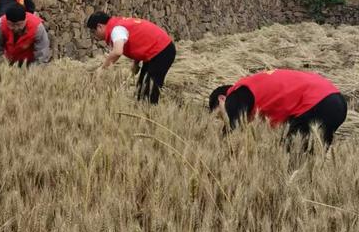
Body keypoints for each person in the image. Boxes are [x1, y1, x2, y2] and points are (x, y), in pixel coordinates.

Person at [209, 69, 347, 146]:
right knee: (311, 159)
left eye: (219, 114)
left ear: (222, 99)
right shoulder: (255, 86)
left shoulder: (237, 92)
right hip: (335, 100)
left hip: (317, 102)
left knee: (291, 157)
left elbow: (230, 127)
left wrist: (213, 148)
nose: (223, 118)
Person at [86, 11, 176, 104]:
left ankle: (150, 114)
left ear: (99, 26)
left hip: (162, 51)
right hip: (157, 51)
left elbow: (117, 51)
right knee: (141, 89)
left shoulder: (116, 30)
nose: (94, 36)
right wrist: (136, 63)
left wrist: (102, 69)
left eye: (93, 31)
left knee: (149, 93)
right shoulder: (119, 24)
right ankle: (144, 112)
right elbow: (139, 40)